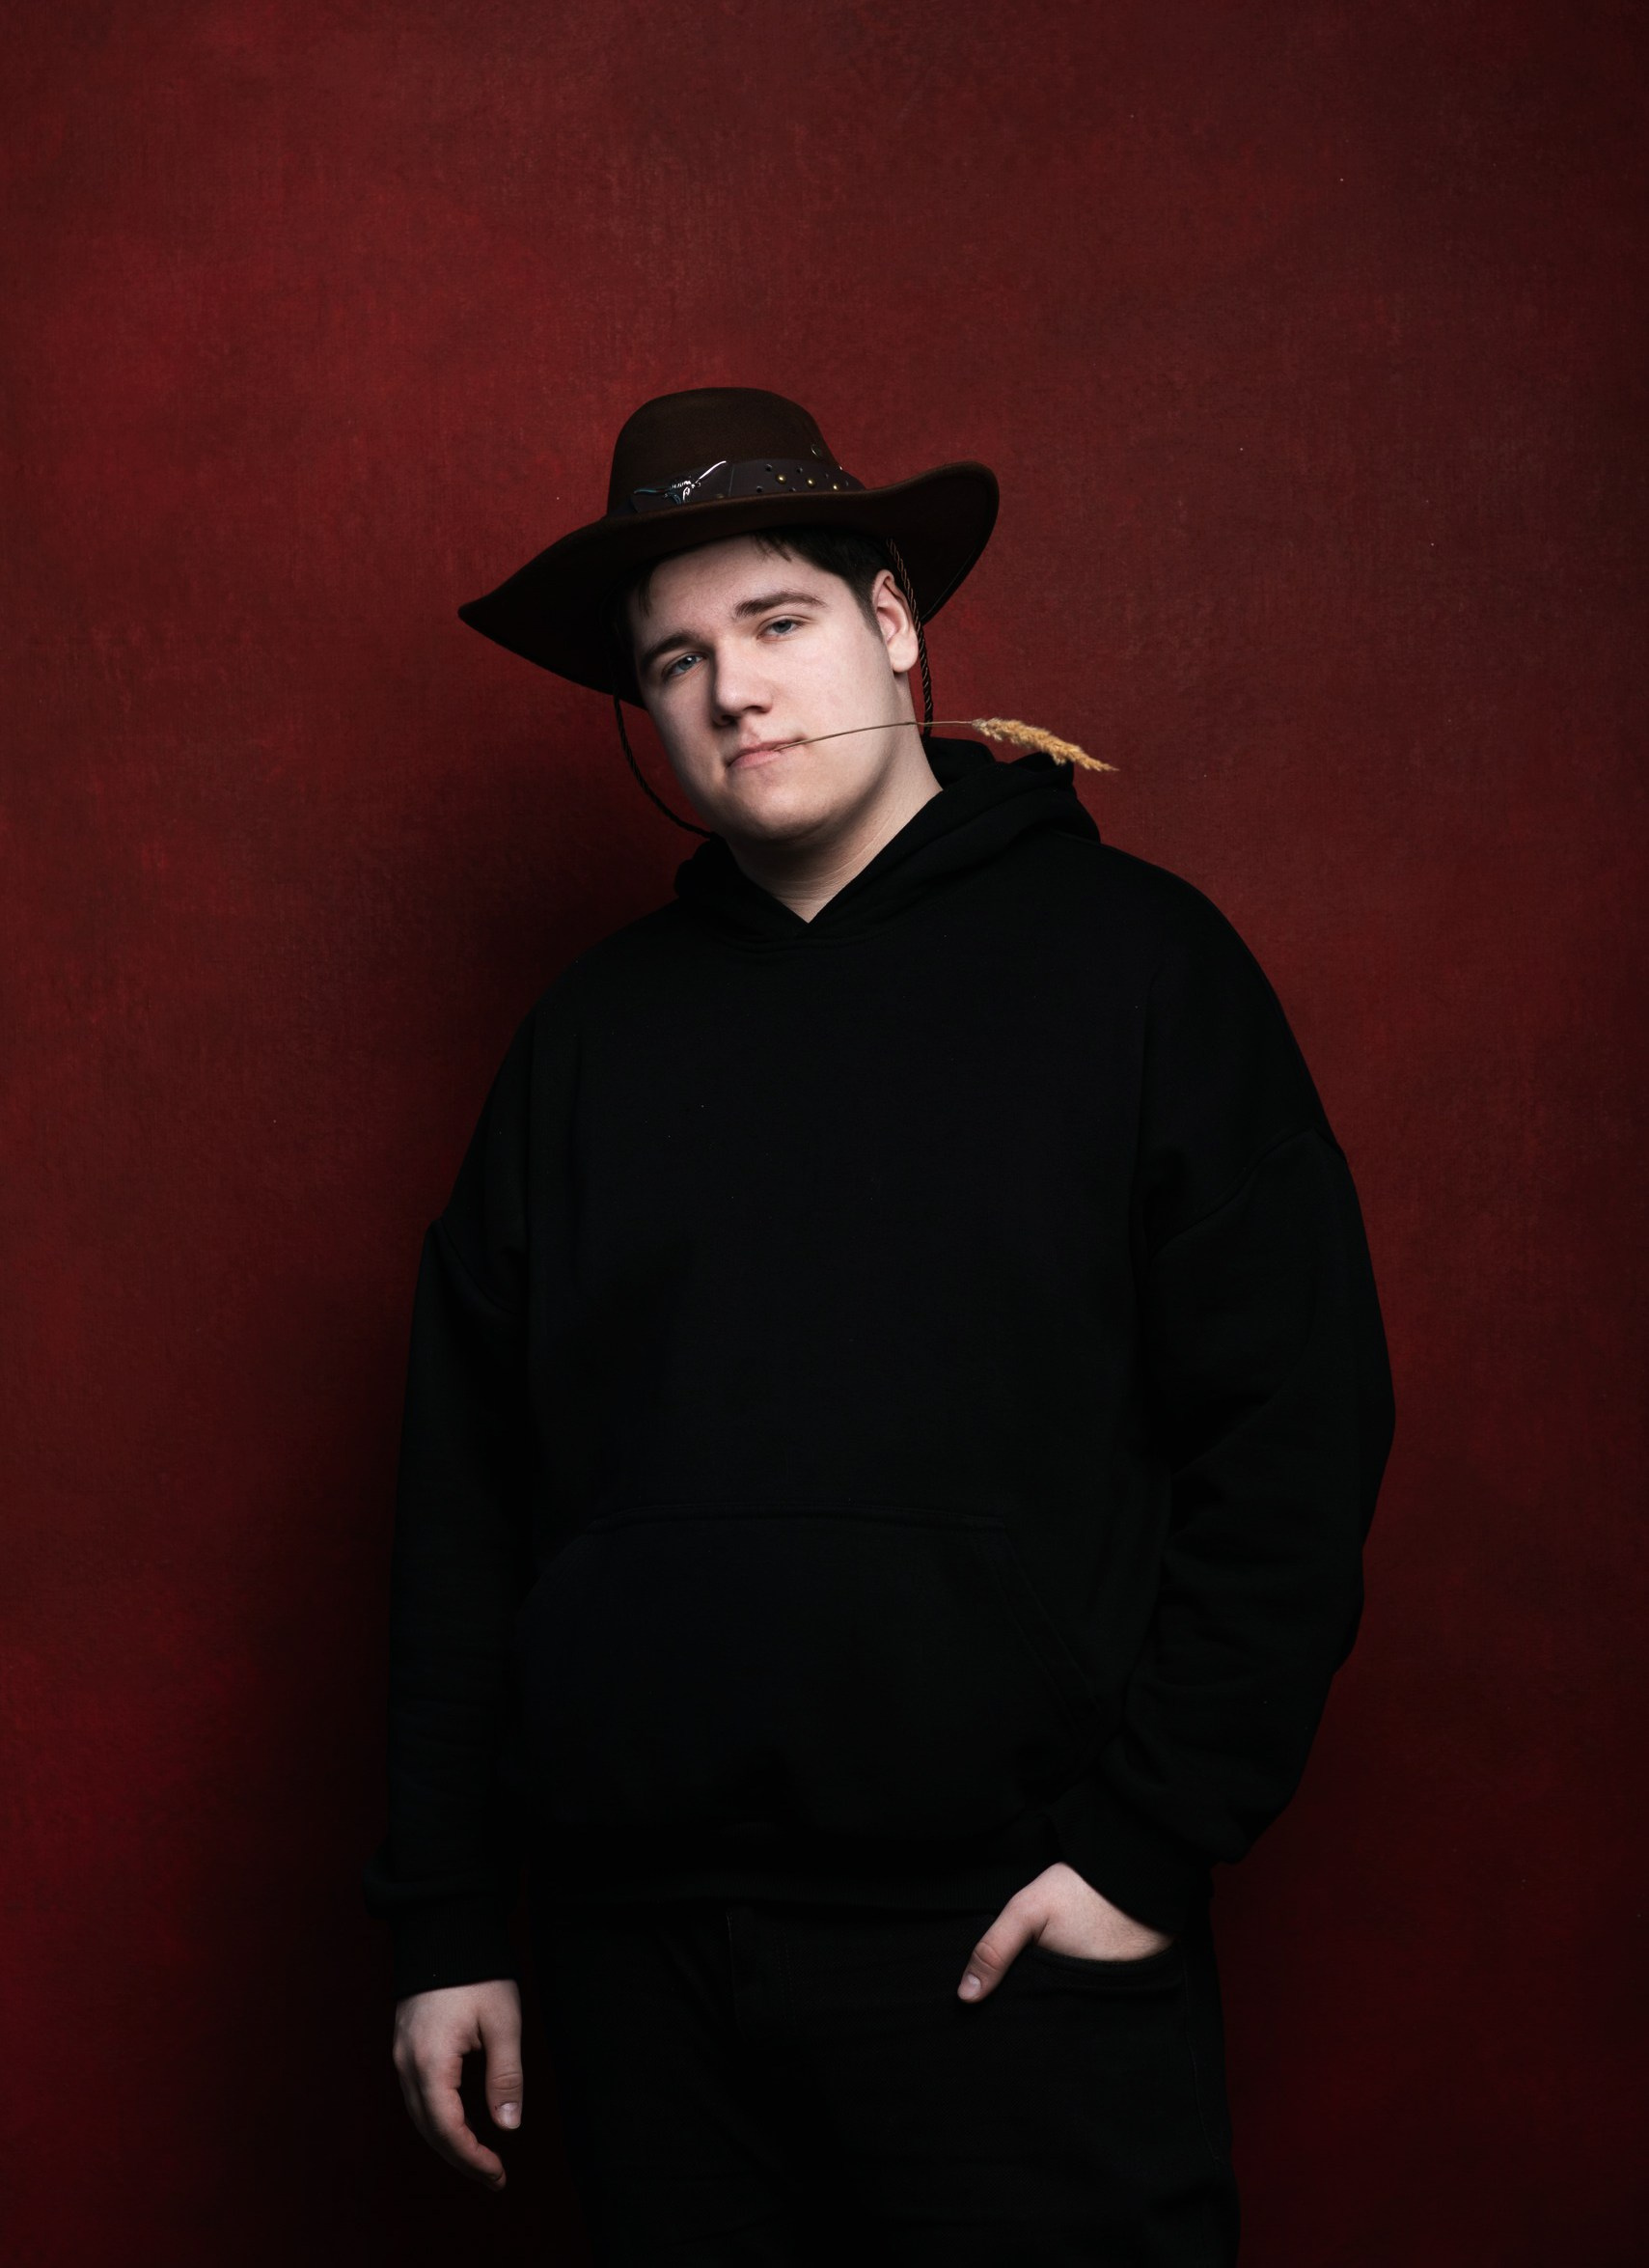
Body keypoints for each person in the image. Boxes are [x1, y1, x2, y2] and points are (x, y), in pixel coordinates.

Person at [362, 385, 1396, 2265]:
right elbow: (466, 1498)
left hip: (1011, 1943)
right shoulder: (587, 1042)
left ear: (894, 622)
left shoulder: (1139, 968)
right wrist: (445, 1919)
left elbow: (1295, 1431)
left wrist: (1148, 1838)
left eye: (776, 622)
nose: (731, 691)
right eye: (674, 659)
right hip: (641, 1964)